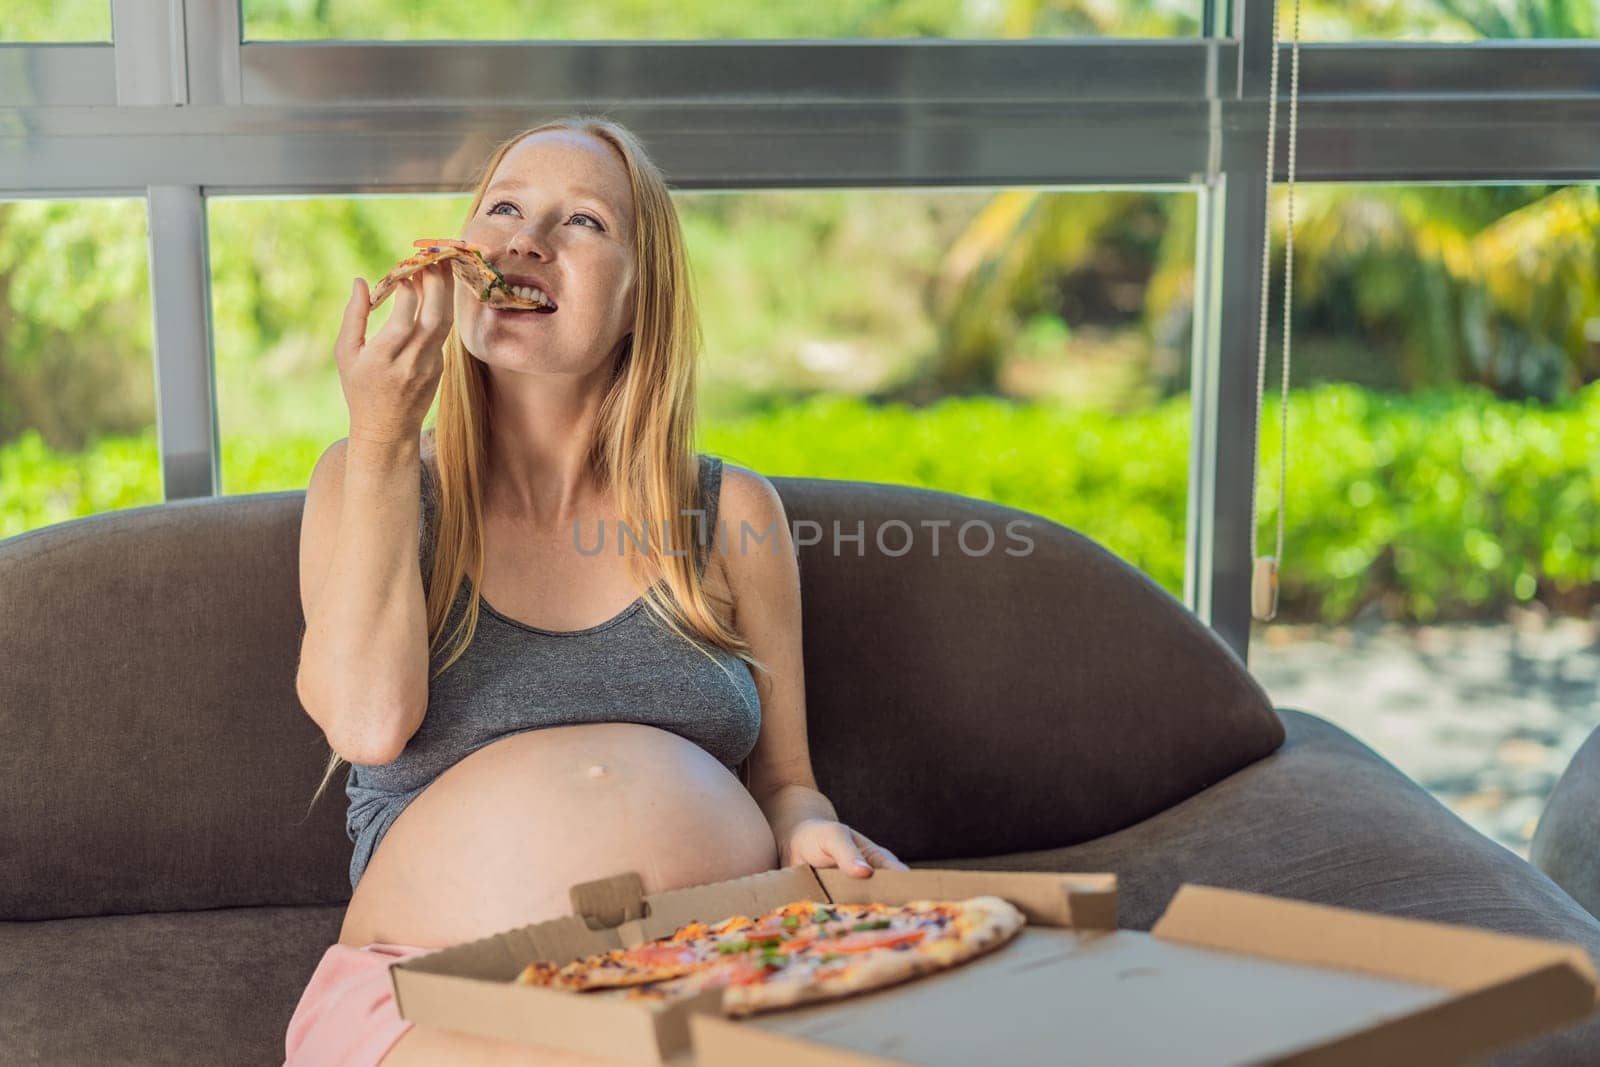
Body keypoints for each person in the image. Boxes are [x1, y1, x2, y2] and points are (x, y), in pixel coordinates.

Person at [283, 115, 907, 1066]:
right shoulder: (367, 478)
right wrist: (378, 438)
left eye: (582, 222)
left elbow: (786, 784)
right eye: (503, 208)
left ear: (638, 298)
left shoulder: (732, 512)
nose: (526, 239)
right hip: (444, 985)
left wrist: (814, 830)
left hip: (718, 964)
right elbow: (367, 724)